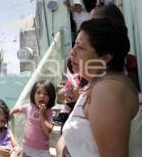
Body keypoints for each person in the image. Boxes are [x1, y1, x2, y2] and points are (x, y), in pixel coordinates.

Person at [57, 18, 142, 157]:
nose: (72, 52)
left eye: (81, 47)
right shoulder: (96, 86)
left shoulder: (108, 91)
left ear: (106, 57)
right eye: (74, 45)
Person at [90, 3, 140, 91]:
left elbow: (131, 92)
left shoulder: (129, 63)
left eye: (95, 25)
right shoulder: (89, 63)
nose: (89, 29)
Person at [10, 80, 56, 157]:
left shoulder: (50, 113)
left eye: (46, 94)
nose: (41, 96)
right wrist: (10, 112)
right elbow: (18, 109)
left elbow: (48, 130)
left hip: (42, 150)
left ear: (50, 97)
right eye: (38, 93)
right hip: (27, 147)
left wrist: (42, 114)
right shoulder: (29, 107)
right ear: (33, 95)